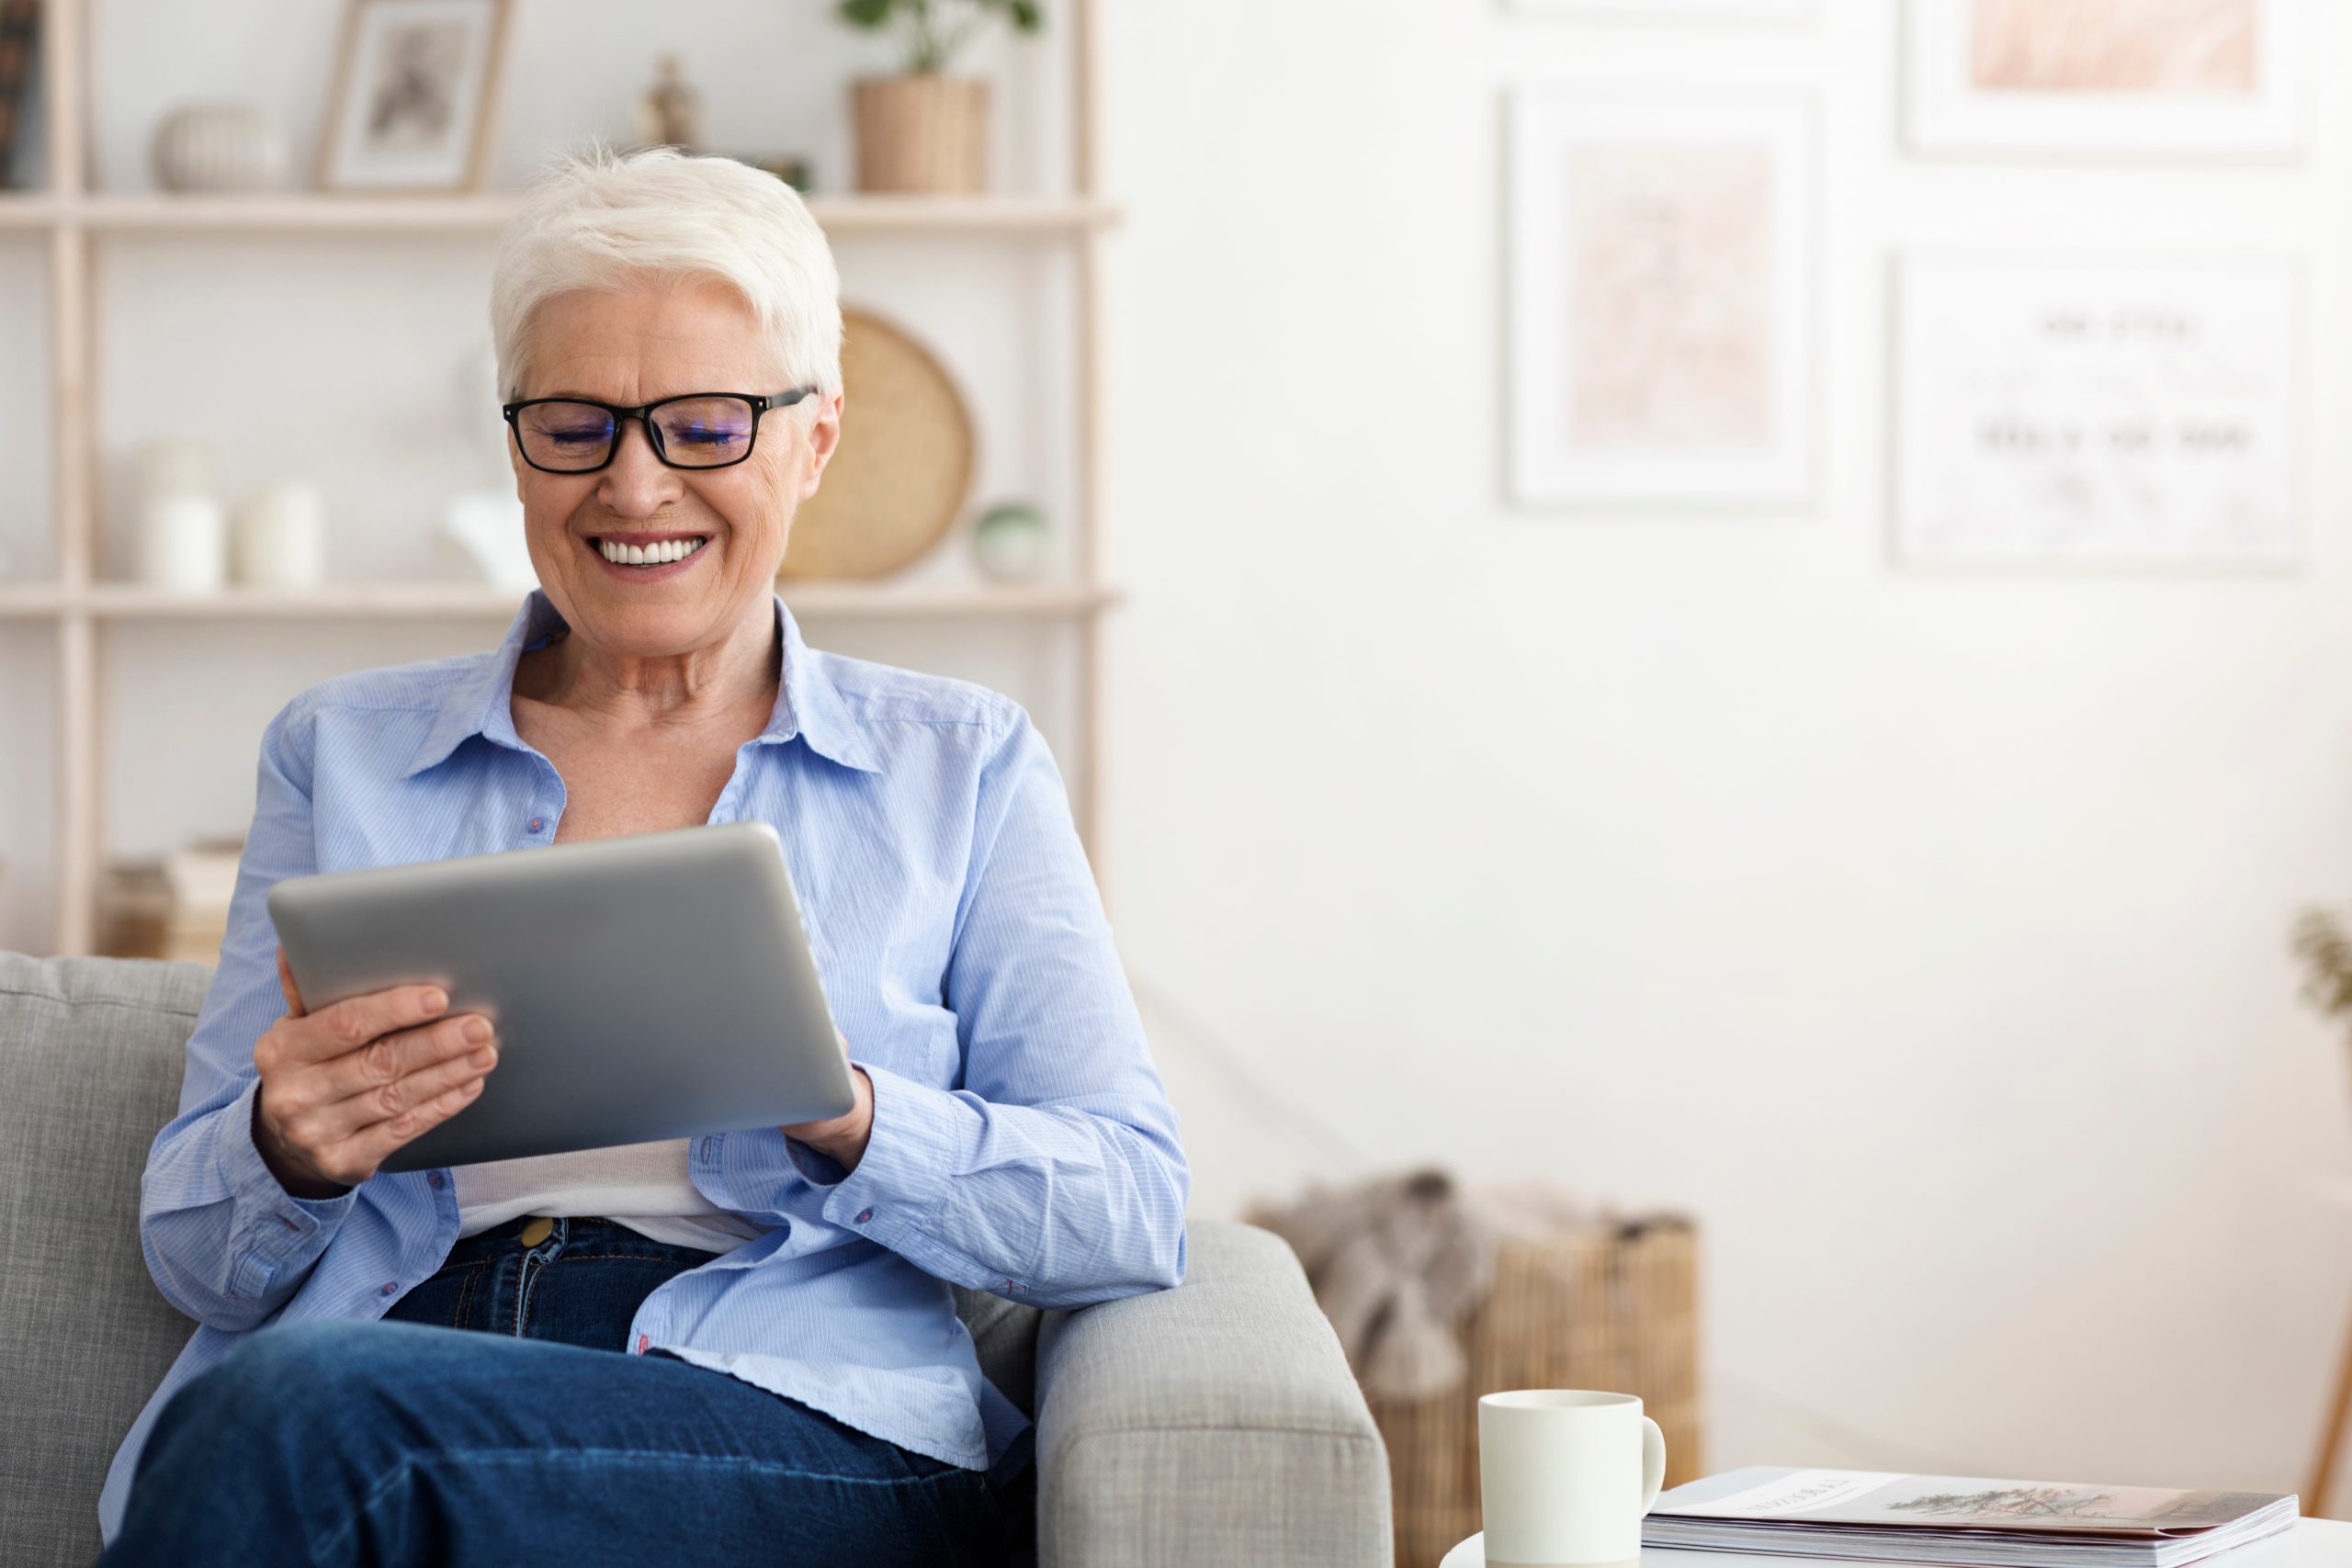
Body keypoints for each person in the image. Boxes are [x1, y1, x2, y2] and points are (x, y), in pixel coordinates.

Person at [95, 141, 1189, 1566]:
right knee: (291, 1407)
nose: (633, 484)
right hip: (395, 1358)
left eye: (706, 425)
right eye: (576, 425)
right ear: (516, 444)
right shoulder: (343, 752)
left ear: (815, 437)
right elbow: (195, 1256)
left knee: (295, 1416)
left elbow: (1130, 1207)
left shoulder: (962, 765)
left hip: (781, 1411)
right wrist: (283, 1150)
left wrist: (853, 1113)